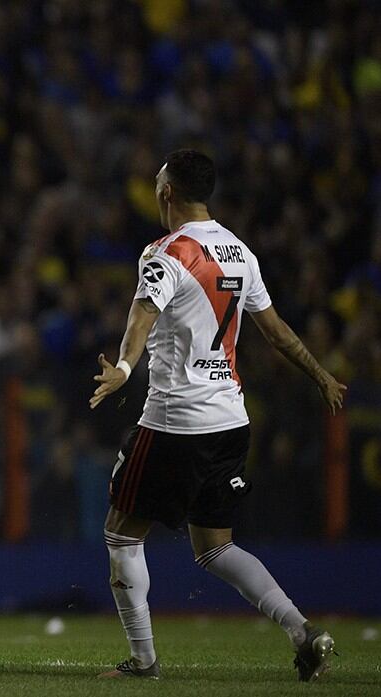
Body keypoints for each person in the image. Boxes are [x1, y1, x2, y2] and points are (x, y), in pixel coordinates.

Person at [89, 150, 346, 681]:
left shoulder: (168, 251)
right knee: (215, 547)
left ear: (167, 192)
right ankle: (302, 632)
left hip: (175, 420)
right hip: (230, 420)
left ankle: (143, 662)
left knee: (121, 534)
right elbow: (275, 331)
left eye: (157, 181)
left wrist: (125, 367)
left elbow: (142, 313)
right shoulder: (239, 252)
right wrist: (320, 373)